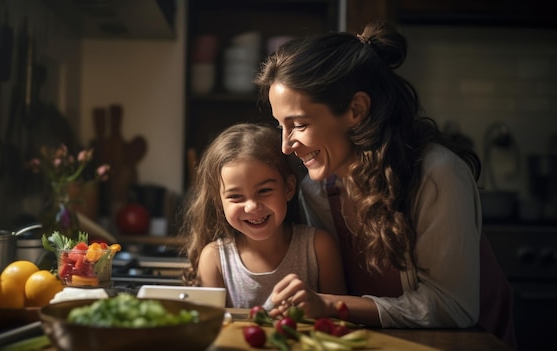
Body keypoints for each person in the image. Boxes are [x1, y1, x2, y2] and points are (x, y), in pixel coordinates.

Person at [254, 21, 516, 349]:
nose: (286, 146)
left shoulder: (438, 174)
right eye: (281, 126)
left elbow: (452, 307)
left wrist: (330, 305)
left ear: (356, 110)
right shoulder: (317, 191)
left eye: (300, 125)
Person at [180, 123, 346, 308]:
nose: (252, 207)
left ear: (289, 188)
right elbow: (211, 331)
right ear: (219, 202)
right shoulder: (214, 260)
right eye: (235, 196)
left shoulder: (320, 248)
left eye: (264, 190)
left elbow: (338, 320)